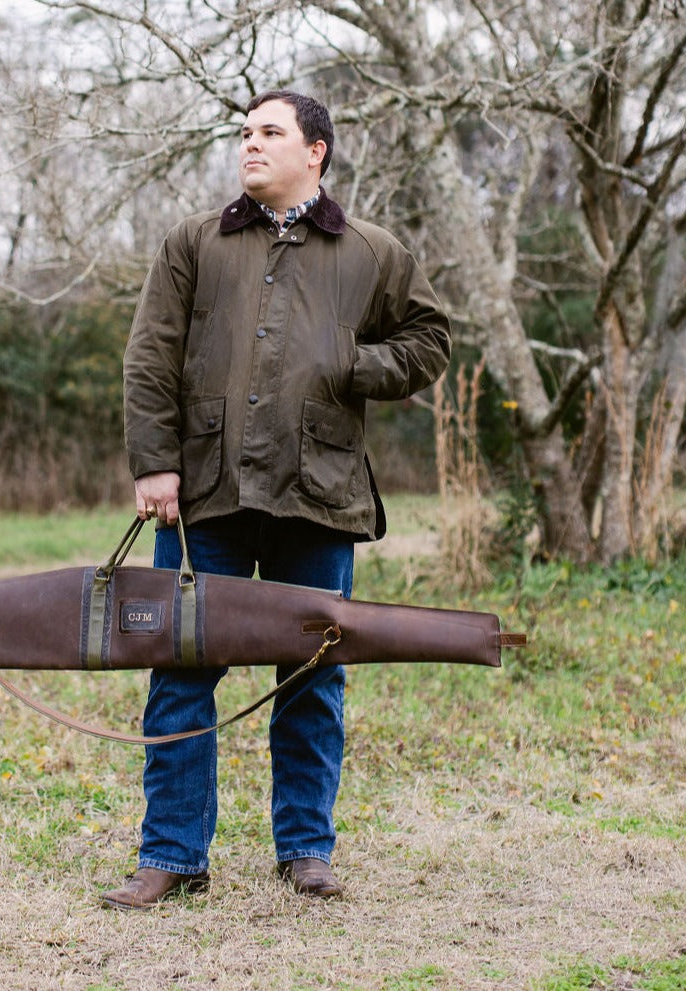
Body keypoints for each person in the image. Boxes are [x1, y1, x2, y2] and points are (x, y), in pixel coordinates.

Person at [104, 90, 451, 910]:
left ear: (316, 152)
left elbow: (429, 339)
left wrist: (352, 365)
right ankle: (171, 854)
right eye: (243, 133)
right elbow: (149, 356)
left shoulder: (373, 251)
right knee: (180, 671)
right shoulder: (193, 242)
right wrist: (154, 464)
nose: (249, 145)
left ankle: (304, 850)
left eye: (268, 132)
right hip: (206, 494)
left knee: (312, 676)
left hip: (320, 493)